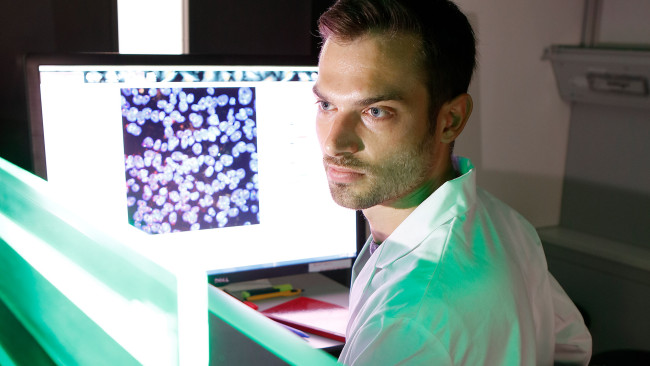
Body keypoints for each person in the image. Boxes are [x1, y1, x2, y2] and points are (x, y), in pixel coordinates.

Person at [312, 0, 592, 364]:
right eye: (326, 106)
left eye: (375, 111)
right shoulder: (507, 226)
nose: (334, 142)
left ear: (451, 120)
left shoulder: (407, 323)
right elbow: (572, 347)